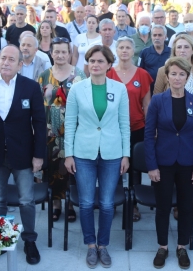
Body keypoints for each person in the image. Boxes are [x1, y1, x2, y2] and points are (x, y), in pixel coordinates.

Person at [0, 45, 45, 265]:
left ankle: (29, 241)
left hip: (23, 154)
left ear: (20, 64)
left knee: (26, 201)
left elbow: (39, 124)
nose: (6, 62)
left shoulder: (30, 87)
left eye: (12, 59)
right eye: (3, 58)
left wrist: (39, 155)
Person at [64, 45, 130, 269]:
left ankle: (103, 245)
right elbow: (70, 123)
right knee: (85, 202)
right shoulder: (77, 89)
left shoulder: (120, 89)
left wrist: (126, 154)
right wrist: (69, 154)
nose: (95, 65)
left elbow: (124, 124)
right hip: (83, 153)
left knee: (107, 203)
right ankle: (90, 245)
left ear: (109, 65)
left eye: (100, 61)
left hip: (112, 153)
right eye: (92, 61)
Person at [145, 57, 193, 269]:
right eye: (173, 74)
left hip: (188, 163)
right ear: (167, 76)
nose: (177, 77)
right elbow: (148, 134)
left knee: (186, 207)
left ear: (187, 77)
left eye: (182, 74)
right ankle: (162, 247)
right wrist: (151, 165)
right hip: (163, 163)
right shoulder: (158, 101)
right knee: (162, 207)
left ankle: (182, 247)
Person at [37, 38, 85, 222]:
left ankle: (71, 204)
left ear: (69, 53)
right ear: (51, 53)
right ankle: (56, 205)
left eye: (64, 52)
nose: (60, 55)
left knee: (72, 170)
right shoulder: (43, 76)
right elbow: (38, 105)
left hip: (74, 133)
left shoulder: (79, 75)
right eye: (56, 51)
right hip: (50, 133)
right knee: (54, 170)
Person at [106, 36, 153, 222]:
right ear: (116, 51)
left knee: (134, 167)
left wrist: (150, 129)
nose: (124, 51)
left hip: (137, 127)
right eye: (121, 47)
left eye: (128, 47)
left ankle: (133, 204)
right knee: (113, 165)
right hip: (113, 129)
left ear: (133, 51)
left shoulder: (142, 74)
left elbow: (147, 104)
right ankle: (115, 199)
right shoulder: (108, 73)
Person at [154, 34, 193, 103]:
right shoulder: (162, 70)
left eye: (186, 47)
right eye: (179, 47)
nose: (182, 50)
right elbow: (156, 99)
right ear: (174, 51)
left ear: (192, 50)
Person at [139, 25, 171, 93]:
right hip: (149, 90)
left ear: (165, 37)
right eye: (154, 35)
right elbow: (139, 71)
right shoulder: (144, 52)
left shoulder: (172, 52)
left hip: (168, 89)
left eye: (160, 35)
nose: (157, 38)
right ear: (151, 37)